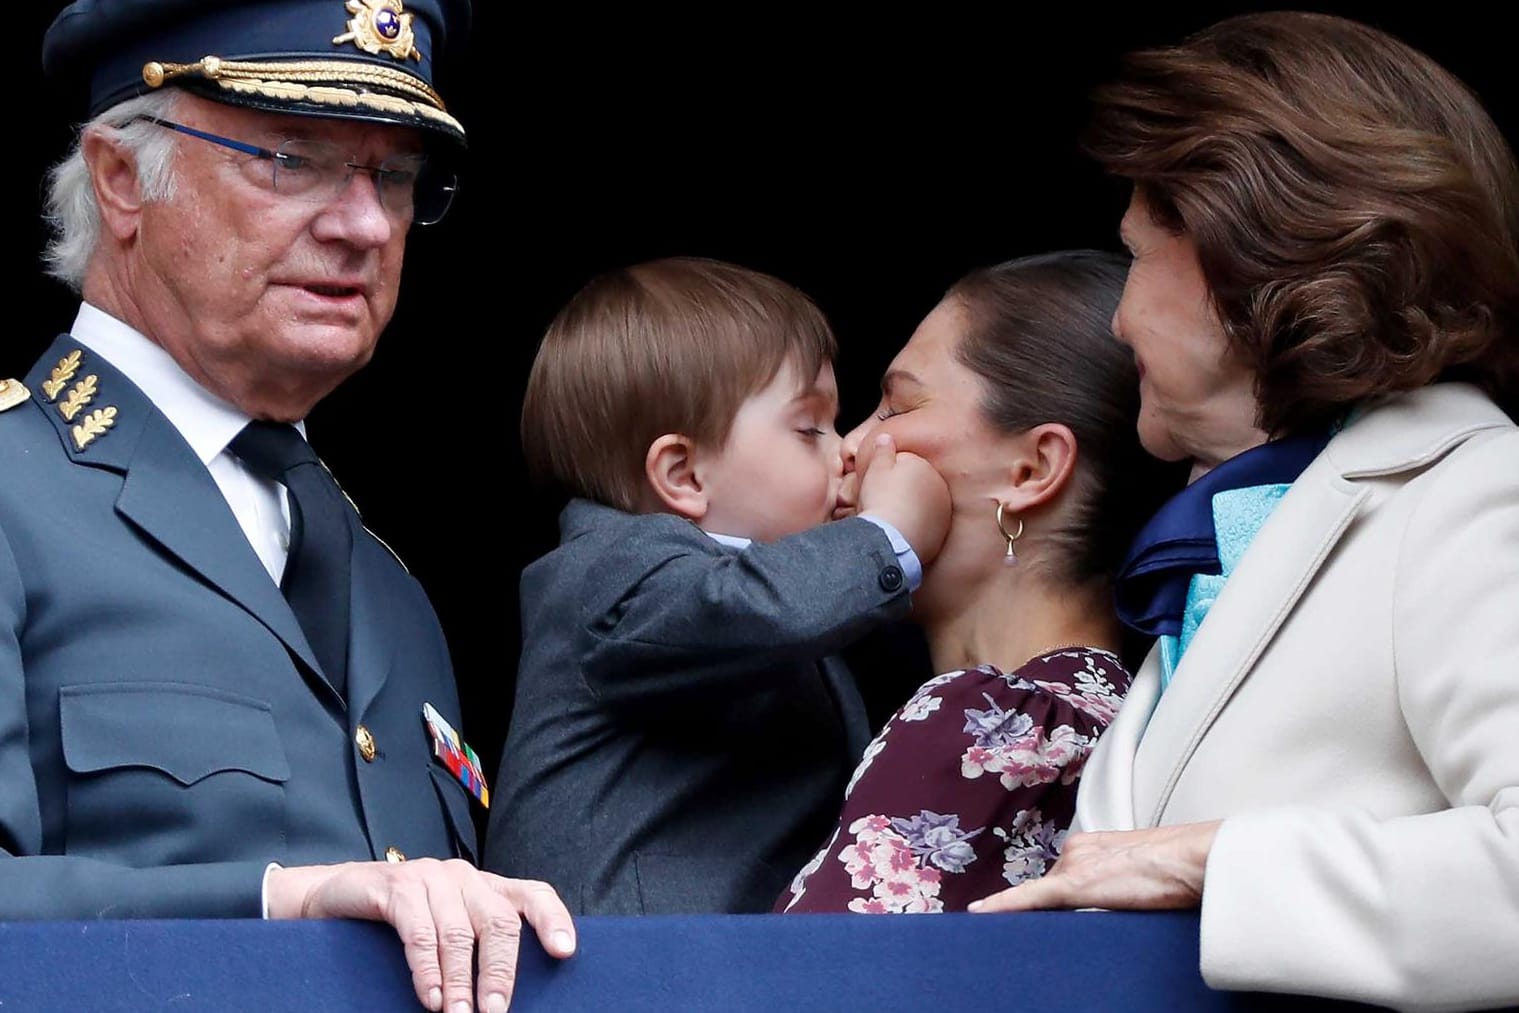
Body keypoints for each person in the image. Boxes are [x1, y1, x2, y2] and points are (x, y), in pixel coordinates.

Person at [2, 2, 574, 1011]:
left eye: (393, 176)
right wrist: (282, 901)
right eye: (292, 160)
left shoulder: (385, 583)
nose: (362, 224)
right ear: (121, 177)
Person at [968, 12, 1519, 1012]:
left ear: (1244, 253)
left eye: (1136, 255)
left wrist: (1210, 860)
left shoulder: (1475, 490)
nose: (1118, 315)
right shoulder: (1234, 529)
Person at [483, 256, 952, 914]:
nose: (845, 448)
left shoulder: (758, 587)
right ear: (682, 473)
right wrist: (887, 533)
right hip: (611, 969)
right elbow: (761, 610)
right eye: (809, 427)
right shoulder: (613, 569)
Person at [774, 251, 1184, 913]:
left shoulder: (981, 720)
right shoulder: (1139, 720)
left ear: (1030, 470)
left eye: (895, 406)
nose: (848, 444)